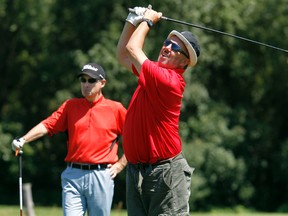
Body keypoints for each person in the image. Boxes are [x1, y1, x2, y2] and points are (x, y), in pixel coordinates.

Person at [11, 63, 127, 216]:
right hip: (73, 175)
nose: (86, 84)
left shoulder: (116, 109)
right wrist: (24, 139)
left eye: (91, 81)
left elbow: (136, 138)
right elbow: (48, 125)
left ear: (102, 83)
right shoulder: (70, 106)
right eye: (83, 80)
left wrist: (121, 164)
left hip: (101, 175)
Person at [116, 5, 200, 216]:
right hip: (137, 172)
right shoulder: (153, 73)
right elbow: (122, 55)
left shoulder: (169, 81)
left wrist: (148, 20)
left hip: (166, 173)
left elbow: (134, 49)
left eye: (175, 48)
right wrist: (131, 20)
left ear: (185, 61)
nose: (167, 47)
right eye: (167, 42)